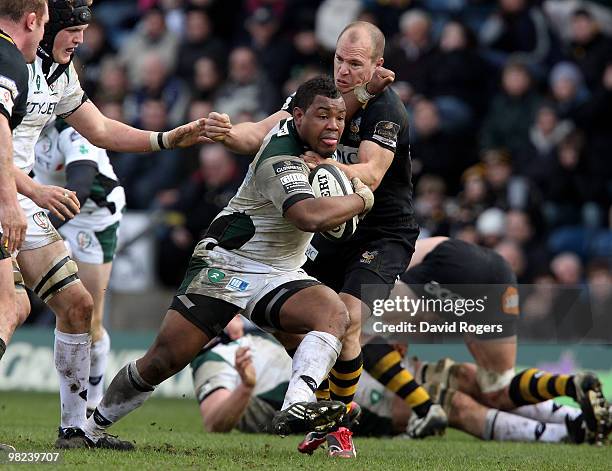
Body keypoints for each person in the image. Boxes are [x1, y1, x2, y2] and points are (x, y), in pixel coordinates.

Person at [82, 77, 374, 452]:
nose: (334, 126)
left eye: (339, 118)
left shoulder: (315, 136)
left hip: (279, 272)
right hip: (227, 262)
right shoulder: (280, 158)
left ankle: (297, 404)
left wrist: (366, 90)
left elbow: (336, 104)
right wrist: (361, 200)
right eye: (323, 117)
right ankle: (90, 430)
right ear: (298, 117)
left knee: (334, 312)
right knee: (162, 360)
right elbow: (308, 216)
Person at [203, 21, 445, 456]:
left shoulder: (387, 110)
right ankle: (314, 404)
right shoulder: (316, 99)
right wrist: (225, 132)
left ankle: (337, 431)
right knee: (293, 319)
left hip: (381, 231)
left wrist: (326, 168)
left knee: (347, 319)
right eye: (339, 60)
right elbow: (262, 132)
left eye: (356, 64)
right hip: (329, 227)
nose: (344, 71)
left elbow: (371, 173)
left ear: (377, 66)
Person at [5, 0, 207, 449]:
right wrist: (36, 192)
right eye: (72, 29)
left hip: (23, 197)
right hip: (8, 195)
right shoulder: (8, 62)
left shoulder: (59, 73)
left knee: (78, 307)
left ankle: (74, 431)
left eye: (85, 30)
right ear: (42, 25)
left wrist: (166, 138)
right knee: (8, 310)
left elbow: (99, 129)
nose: (80, 39)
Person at [360, 237, 610, 445]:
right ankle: (571, 393)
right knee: (496, 387)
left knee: (360, 326)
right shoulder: (381, 244)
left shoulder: (353, 276)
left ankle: (567, 433)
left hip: (442, 277)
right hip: (493, 268)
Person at [190, 319, 591, 445]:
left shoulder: (261, 324)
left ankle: (575, 414)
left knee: (466, 376)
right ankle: (568, 433)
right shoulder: (213, 357)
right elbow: (213, 421)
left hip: (356, 368)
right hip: (344, 400)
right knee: (452, 404)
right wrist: (244, 386)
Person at [34, 117, 125, 414]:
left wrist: (44, 231)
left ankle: (94, 402)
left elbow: (80, 189)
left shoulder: (74, 128)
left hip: (92, 219)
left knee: (90, 319)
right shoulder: (18, 123)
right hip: (44, 210)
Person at [0, 0, 48, 454]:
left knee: (15, 305)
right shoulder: (8, 56)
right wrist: (12, 204)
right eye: (45, 25)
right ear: (31, 20)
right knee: (9, 307)